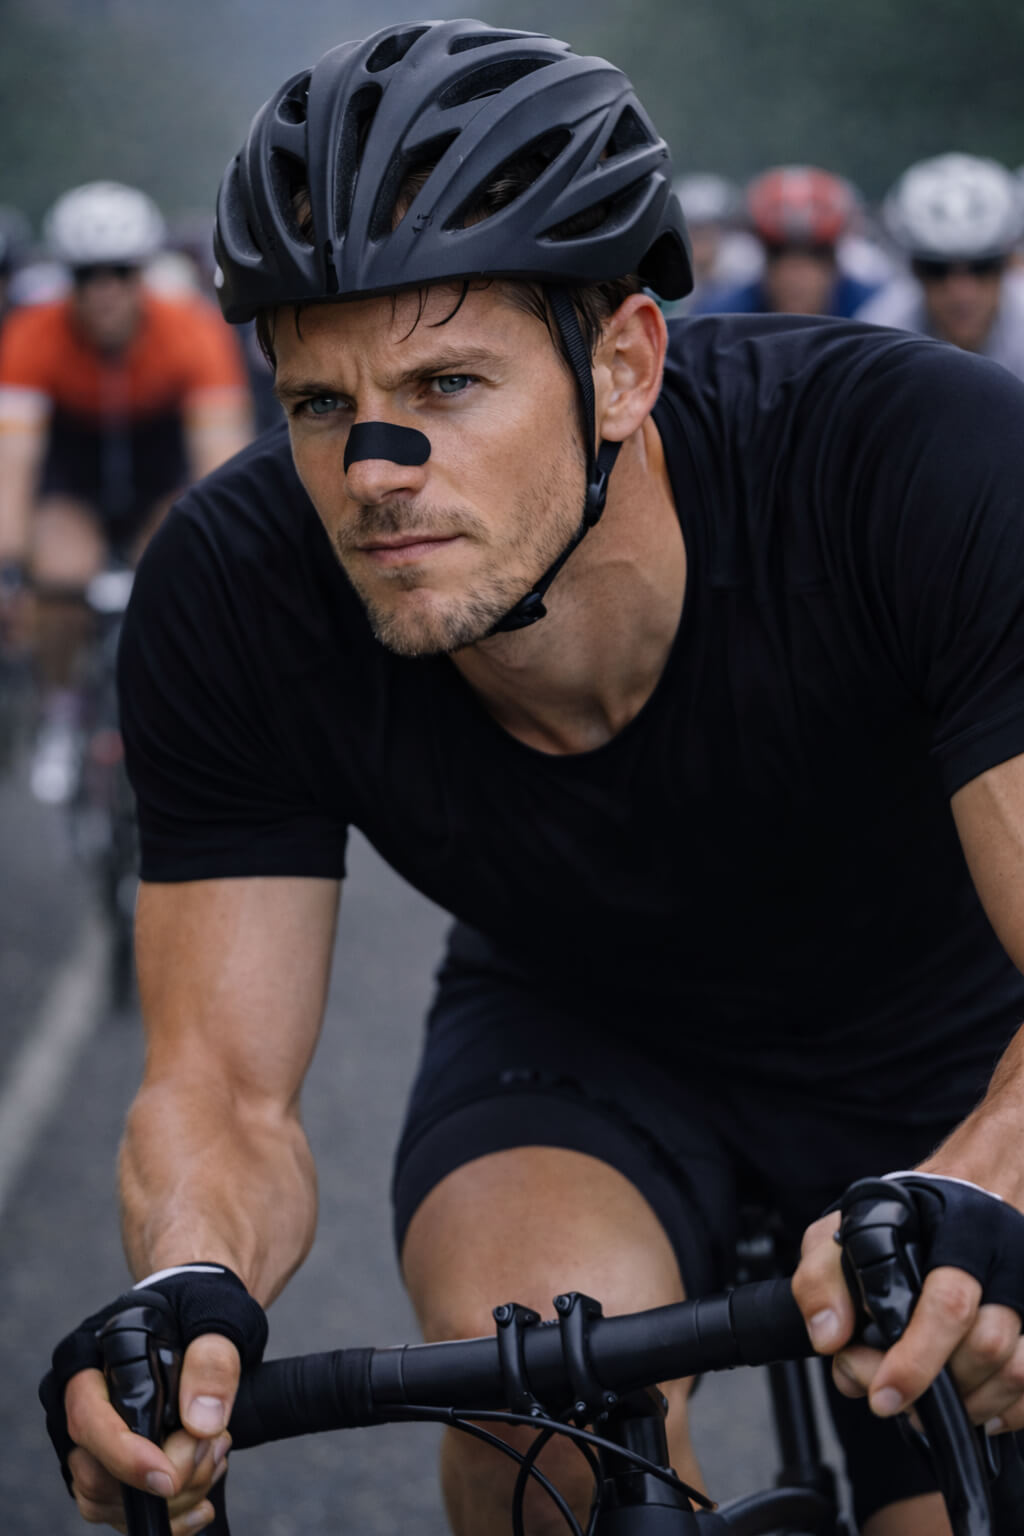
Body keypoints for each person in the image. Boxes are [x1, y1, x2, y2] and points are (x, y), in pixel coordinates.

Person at [39, 21, 1024, 1536]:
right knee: (541, 1431)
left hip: (955, 1039)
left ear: (623, 365)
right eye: (320, 404)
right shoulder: (234, 589)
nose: (375, 467)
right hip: (584, 1030)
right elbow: (221, 1092)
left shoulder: (919, 462)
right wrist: (185, 1284)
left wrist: (993, 1188)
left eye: (447, 382)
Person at [0, 180, 252, 804]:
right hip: (74, 474)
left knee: (174, 564)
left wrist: (232, 558)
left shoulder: (192, 328)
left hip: (159, 468)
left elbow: (221, 463)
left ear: (144, 273)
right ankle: (61, 706)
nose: (105, 291)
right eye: (87, 276)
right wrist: (8, 565)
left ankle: (169, 710)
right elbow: (15, 460)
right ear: (68, 280)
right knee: (60, 572)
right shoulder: (33, 332)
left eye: (120, 272)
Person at [856, 152, 1024, 378]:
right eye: (937, 270)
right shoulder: (880, 339)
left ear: (1009, 264)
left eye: (981, 267)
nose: (961, 292)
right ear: (913, 269)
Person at [693, 164, 880, 317]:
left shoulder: (877, 312)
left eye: (816, 255)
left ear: (835, 262)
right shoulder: (722, 318)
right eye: (778, 253)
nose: (795, 275)